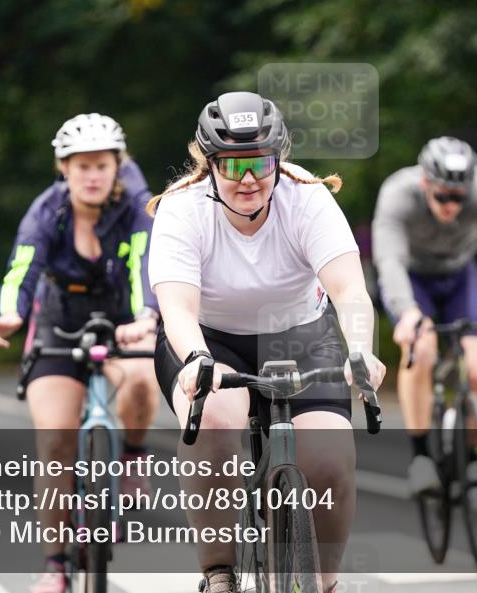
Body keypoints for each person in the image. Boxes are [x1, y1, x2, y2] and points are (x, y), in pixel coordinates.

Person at [146, 91, 386, 593]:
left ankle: (324, 583)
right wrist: (195, 360)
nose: (249, 179)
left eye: (260, 163)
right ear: (209, 165)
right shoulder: (181, 210)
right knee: (215, 419)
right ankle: (219, 572)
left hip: (301, 335)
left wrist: (360, 348)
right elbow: (178, 311)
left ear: (279, 158)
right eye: (233, 167)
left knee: (328, 461)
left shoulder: (307, 198)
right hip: (209, 340)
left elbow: (349, 291)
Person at [0, 113, 159, 593]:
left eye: (102, 165)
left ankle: (132, 460)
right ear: (64, 168)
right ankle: (56, 563)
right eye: (82, 166)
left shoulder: (138, 205)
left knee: (143, 379)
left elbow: (146, 263)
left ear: (118, 166)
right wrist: (12, 314)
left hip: (124, 315)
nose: (93, 175)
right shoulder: (46, 210)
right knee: (55, 443)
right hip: (58, 318)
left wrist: (147, 319)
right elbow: (23, 266)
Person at [371, 136, 477, 495]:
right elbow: (389, 260)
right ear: (425, 184)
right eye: (443, 196)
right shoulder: (398, 193)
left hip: (459, 275)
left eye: (459, 198)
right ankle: (420, 457)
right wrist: (408, 314)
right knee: (424, 349)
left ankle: (473, 457)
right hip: (412, 278)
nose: (451, 205)